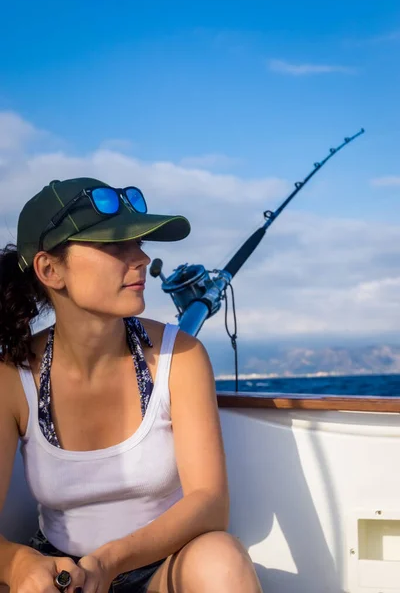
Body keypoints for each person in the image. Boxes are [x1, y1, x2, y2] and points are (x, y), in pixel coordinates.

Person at [0, 178, 262, 593]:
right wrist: (17, 564)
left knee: (221, 559)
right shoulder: (13, 376)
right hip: (61, 574)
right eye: (113, 246)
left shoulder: (182, 356)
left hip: (163, 570)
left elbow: (210, 504)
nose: (141, 258)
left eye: (138, 243)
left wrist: (110, 561)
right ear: (50, 270)